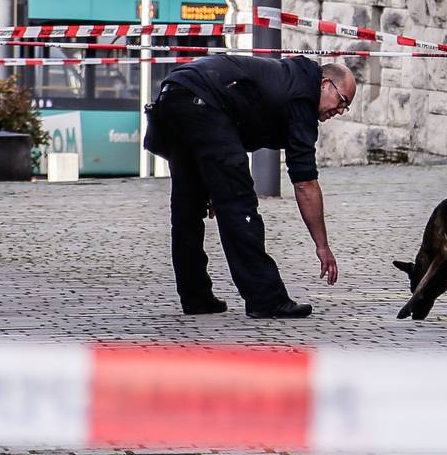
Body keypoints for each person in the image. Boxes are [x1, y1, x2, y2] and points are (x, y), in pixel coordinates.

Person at [141, 54, 356, 318]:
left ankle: (196, 297)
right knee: (238, 206)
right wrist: (322, 245)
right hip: (203, 102)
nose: (340, 110)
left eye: (346, 107)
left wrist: (213, 181)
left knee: (188, 208)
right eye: (342, 100)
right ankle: (266, 299)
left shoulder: (288, 80)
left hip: (175, 94)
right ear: (324, 84)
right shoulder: (302, 96)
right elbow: (305, 182)